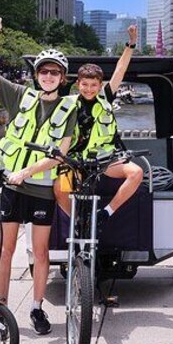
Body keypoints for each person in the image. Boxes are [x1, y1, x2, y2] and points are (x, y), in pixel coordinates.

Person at [0, 17, 78, 336]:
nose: (48, 76)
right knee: (5, 249)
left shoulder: (68, 109)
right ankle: (1, 308)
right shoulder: (21, 95)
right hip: (10, 186)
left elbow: (58, 153)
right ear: (36, 75)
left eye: (54, 72)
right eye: (43, 71)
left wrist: (27, 172)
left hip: (40, 190)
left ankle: (36, 308)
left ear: (62, 78)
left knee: (41, 252)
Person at [55, 25, 143, 227]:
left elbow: (120, 69)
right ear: (78, 84)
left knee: (136, 173)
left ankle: (106, 213)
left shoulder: (105, 98)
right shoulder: (67, 103)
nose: (89, 89)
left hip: (104, 159)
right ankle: (76, 220)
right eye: (84, 85)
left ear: (100, 85)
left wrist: (130, 44)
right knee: (59, 188)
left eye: (93, 85)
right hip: (75, 161)